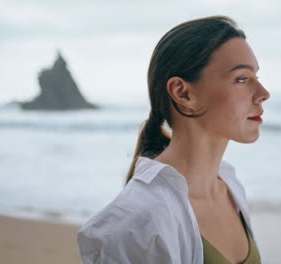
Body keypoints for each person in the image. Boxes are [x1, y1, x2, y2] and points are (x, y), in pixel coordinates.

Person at [77, 15, 270, 264]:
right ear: (183, 93)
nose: (263, 94)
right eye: (241, 79)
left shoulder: (231, 188)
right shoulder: (136, 223)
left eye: (257, 77)